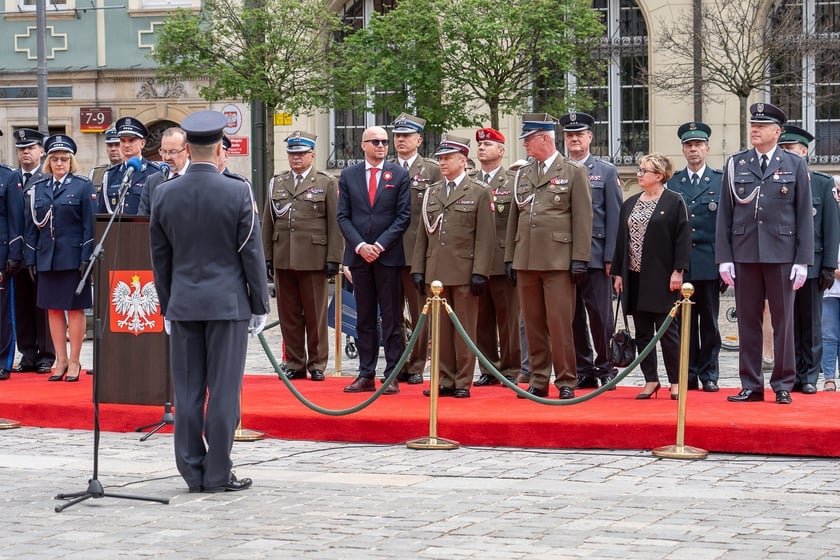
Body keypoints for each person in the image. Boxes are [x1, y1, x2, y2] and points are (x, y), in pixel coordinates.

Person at [149, 110, 269, 493]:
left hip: (183, 304)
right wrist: (260, 305)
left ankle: (191, 470)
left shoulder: (164, 192)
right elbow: (251, 252)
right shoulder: (237, 190)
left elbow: (160, 258)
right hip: (228, 304)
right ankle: (218, 474)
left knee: (186, 393)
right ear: (219, 149)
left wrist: (167, 304)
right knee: (223, 391)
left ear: (188, 149)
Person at [716, 102, 814, 405]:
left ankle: (783, 383)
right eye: (753, 125)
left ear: (777, 132)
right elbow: (725, 214)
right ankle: (751, 384)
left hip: (782, 253)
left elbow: (803, 216)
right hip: (745, 253)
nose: (754, 130)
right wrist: (725, 256)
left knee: (784, 322)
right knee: (747, 321)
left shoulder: (794, 164)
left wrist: (802, 260)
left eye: (762, 126)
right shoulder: (737, 163)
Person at [504, 113, 592, 400]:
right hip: (526, 259)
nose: (526, 145)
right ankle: (539, 378)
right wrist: (510, 257)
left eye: (529, 139)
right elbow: (514, 219)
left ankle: (566, 379)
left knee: (559, 323)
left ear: (544, 138)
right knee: (532, 323)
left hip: (558, 260)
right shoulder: (524, 173)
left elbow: (582, 218)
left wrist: (580, 258)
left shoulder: (572, 171)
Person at [411, 135, 495, 398]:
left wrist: (480, 271)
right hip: (436, 272)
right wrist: (418, 268)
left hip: (464, 271)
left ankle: (462, 381)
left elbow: (485, 237)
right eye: (440, 158)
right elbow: (423, 234)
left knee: (464, 331)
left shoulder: (479, 192)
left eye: (448, 158)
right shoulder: (432, 192)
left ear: (462, 160)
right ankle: (445, 378)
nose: (442, 162)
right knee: (440, 332)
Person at [262, 131, 343, 382]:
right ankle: (295, 363)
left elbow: (335, 223)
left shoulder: (326, 183)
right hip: (283, 256)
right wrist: (266, 257)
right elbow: (268, 222)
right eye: (292, 153)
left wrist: (334, 258)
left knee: (315, 314)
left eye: (300, 153)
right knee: (288, 314)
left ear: (312, 155)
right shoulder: (277, 182)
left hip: (314, 257)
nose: (295, 158)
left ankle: (317, 363)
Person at [336, 126, 410, 394]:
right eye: (375, 142)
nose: (381, 146)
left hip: (388, 256)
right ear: (363, 145)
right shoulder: (348, 175)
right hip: (359, 257)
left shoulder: (399, 175)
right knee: (364, 318)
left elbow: (403, 217)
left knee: (391, 318)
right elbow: (342, 216)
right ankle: (365, 374)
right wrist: (360, 246)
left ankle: (391, 375)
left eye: (384, 142)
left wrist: (378, 245)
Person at [613, 153, 691, 399]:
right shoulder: (630, 202)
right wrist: (618, 273)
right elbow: (620, 241)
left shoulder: (674, 201)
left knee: (668, 332)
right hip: (634, 276)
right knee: (643, 332)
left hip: (662, 277)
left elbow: (683, 239)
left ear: (659, 176)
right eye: (639, 169)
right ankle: (650, 379)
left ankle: (676, 381)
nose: (639, 174)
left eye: (644, 170)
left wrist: (678, 270)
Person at [24, 134, 96, 383]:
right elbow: (32, 227)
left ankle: (75, 360)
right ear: (48, 161)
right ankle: (60, 359)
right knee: (53, 310)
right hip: (47, 258)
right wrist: (30, 257)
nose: (59, 163)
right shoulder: (39, 189)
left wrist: (87, 256)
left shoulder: (82, 186)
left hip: (73, 258)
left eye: (64, 159)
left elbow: (90, 226)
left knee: (75, 310)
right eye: (55, 159)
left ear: (71, 161)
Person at [560, 112, 623, 390]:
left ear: (589, 138)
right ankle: (584, 368)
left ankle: (606, 364)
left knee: (601, 316)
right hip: (563, 256)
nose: (574, 139)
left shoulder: (605, 171)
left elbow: (615, 217)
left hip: (597, 256)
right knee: (572, 317)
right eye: (569, 135)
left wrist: (612, 257)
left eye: (579, 134)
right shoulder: (558, 170)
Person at [777, 125, 840, 394]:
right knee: (787, 322)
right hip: (782, 262)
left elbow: (830, 229)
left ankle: (810, 376)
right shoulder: (777, 184)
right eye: (783, 150)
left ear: (803, 152)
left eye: (790, 150)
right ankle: (790, 374)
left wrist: (828, 265)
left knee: (812, 323)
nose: (786, 154)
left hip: (812, 265)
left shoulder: (823, 184)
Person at [667, 121, 724, 392]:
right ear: (683, 150)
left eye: (698, 145)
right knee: (683, 323)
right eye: (689, 145)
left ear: (707, 148)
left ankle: (709, 374)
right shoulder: (673, 182)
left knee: (710, 323)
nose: (694, 150)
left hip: (709, 262)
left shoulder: (720, 181)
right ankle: (687, 373)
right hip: (682, 264)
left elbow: (726, 227)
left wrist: (725, 263)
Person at [391, 113, 442, 385]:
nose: (400, 140)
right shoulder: (386, 168)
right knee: (392, 313)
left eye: (406, 136)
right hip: (389, 252)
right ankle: (397, 361)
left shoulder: (432, 171)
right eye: (397, 136)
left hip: (416, 254)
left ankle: (417, 365)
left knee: (421, 311)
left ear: (419, 140)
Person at [471, 127, 521, 386]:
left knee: (509, 319)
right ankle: (488, 368)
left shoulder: (513, 181)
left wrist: (514, 258)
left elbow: (518, 224)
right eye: (480, 145)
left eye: (488, 144)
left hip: (503, 261)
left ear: (501, 151)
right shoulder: (470, 181)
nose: (481, 148)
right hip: (476, 262)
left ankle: (511, 369)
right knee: (482, 320)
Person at [12, 128, 55, 376]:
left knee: (44, 305)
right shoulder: (12, 178)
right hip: (17, 253)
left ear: (41, 151)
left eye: (30, 148)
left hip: (42, 252)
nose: (25, 152)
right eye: (21, 149)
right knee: (23, 306)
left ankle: (46, 355)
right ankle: (27, 353)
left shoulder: (47, 178)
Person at [0, 131, 25, 381]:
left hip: (1, 252)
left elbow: (16, 218)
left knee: (2, 310)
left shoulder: (8, 176)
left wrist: (15, 253)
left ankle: (2, 360)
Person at [98, 116, 161, 215]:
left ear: (142, 143)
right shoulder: (110, 175)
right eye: (123, 140)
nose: (126, 145)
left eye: (131, 140)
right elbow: (102, 214)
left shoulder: (155, 173)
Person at [137, 127, 190, 216]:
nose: (167, 157)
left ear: (187, 150)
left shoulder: (199, 177)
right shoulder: (152, 181)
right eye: (163, 151)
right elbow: (142, 219)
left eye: (173, 152)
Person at [823, 181, 840, 391]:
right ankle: (829, 377)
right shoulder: (828, 215)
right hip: (830, 286)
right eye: (837, 191)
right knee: (828, 334)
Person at [88, 126, 122, 197]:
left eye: (117, 145)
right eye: (110, 145)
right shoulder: (95, 173)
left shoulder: (133, 171)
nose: (113, 149)